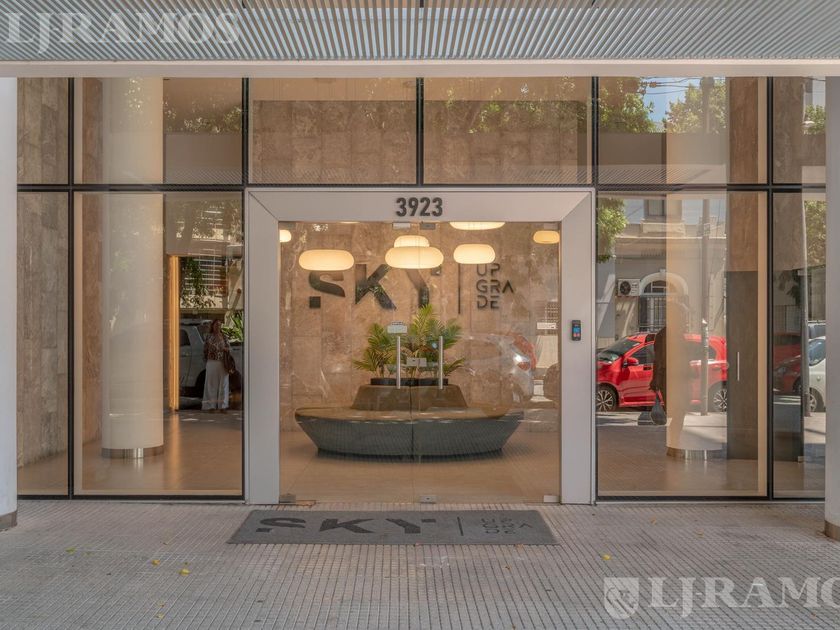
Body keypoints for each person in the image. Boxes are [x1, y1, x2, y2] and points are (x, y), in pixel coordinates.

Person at [650, 305, 692, 432]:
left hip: (678, 379)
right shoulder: (665, 335)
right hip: (670, 379)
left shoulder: (676, 334)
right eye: (683, 316)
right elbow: (659, 360)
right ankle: (674, 441)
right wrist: (656, 380)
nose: (685, 320)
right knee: (678, 411)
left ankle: (674, 441)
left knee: (680, 411)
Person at [202, 319, 231, 412]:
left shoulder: (224, 336)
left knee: (224, 384)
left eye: (219, 325)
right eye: (216, 325)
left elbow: (229, 348)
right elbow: (205, 350)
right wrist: (206, 361)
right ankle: (210, 406)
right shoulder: (208, 336)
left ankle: (223, 406)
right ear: (213, 326)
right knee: (211, 384)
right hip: (211, 362)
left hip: (223, 362)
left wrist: (224, 349)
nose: (218, 326)